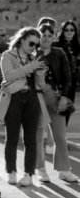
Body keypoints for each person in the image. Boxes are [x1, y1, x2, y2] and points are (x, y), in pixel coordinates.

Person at [0, 27, 47, 186]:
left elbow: (41, 84)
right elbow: (9, 75)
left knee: (31, 140)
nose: (33, 47)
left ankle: (29, 174)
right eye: (31, 43)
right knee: (12, 138)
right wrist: (31, 67)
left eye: (36, 45)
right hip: (14, 98)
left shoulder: (34, 58)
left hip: (32, 98)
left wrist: (40, 72)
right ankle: (11, 171)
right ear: (22, 39)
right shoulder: (7, 55)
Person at [35, 24, 78, 183]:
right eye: (43, 35)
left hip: (56, 99)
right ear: (38, 36)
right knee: (38, 137)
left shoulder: (59, 53)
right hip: (37, 99)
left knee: (60, 137)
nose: (46, 38)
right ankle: (41, 170)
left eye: (49, 35)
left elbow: (68, 77)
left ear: (54, 37)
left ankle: (64, 170)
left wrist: (64, 98)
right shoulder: (32, 54)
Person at [54, 20, 80, 119]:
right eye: (66, 30)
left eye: (72, 30)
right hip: (60, 82)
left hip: (72, 82)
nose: (69, 32)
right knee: (58, 109)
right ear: (62, 31)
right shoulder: (57, 45)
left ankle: (64, 128)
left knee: (68, 109)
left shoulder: (77, 46)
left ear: (75, 32)